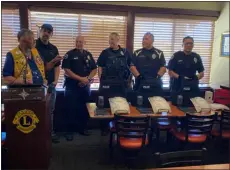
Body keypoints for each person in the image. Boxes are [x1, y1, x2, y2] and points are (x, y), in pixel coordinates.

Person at [62, 36, 97, 140]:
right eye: (77, 41)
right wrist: (81, 79)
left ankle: (83, 128)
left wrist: (87, 79)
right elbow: (66, 70)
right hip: (72, 86)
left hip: (85, 86)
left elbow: (94, 69)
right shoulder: (70, 54)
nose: (79, 43)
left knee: (84, 108)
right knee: (70, 108)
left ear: (84, 42)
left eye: (81, 42)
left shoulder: (88, 55)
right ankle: (69, 132)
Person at [35, 24, 62, 143]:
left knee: (50, 110)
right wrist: (49, 64)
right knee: (36, 110)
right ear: (40, 31)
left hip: (50, 85)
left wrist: (56, 81)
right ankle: (38, 134)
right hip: (36, 86)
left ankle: (50, 133)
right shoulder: (33, 47)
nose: (46, 33)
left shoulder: (53, 48)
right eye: (44, 31)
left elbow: (57, 67)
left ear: (51, 34)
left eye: (49, 32)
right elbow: (35, 68)